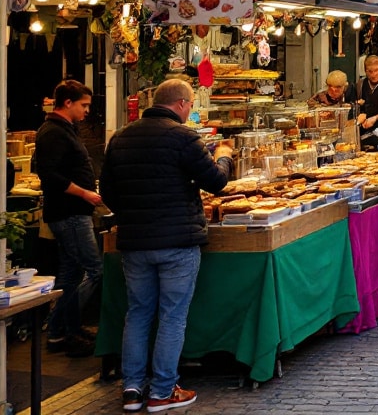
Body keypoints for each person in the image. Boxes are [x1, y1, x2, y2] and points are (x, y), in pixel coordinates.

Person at [102, 79, 234, 413]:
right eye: (191, 105)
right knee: (172, 316)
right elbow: (216, 182)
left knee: (138, 313)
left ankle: (132, 390)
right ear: (180, 104)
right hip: (177, 241)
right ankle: (162, 391)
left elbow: (108, 193)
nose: (191, 111)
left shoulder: (120, 137)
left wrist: (133, 213)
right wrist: (224, 156)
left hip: (134, 241)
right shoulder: (184, 137)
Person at [34, 79, 102, 357]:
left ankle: (61, 333)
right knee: (94, 269)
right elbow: (49, 175)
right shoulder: (53, 132)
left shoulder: (64, 129)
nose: (87, 111)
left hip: (73, 211)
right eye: (84, 105)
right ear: (68, 103)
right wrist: (84, 193)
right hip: (70, 212)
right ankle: (62, 326)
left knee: (71, 272)